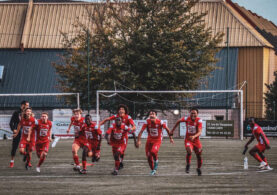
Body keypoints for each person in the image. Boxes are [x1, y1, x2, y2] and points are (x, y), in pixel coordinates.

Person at [136, 110, 174, 175]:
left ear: (156, 116)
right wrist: (138, 140)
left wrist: (171, 138)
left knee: (153, 152)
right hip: (149, 140)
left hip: (157, 140)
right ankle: (153, 170)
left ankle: (156, 161)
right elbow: (141, 131)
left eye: (153, 114)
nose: (151, 115)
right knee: (148, 157)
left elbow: (167, 130)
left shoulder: (160, 122)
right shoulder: (147, 122)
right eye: (150, 114)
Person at [100, 104, 136, 169]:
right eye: (120, 109)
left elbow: (134, 127)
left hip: (124, 137)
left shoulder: (128, 117)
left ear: (125, 111)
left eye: (122, 109)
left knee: (121, 151)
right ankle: (118, 161)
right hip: (115, 137)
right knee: (115, 153)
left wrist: (131, 129)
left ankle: (120, 162)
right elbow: (107, 119)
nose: (121, 110)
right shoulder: (116, 116)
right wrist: (99, 125)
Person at [171, 107, 203, 176]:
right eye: (192, 113)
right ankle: (188, 164)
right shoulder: (186, 119)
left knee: (199, 156)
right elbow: (178, 121)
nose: (193, 115)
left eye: (194, 113)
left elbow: (200, 132)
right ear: (190, 113)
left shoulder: (199, 121)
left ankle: (198, 168)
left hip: (196, 140)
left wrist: (194, 136)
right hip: (188, 139)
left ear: (197, 114)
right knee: (189, 150)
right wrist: (172, 130)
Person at [9, 100, 29, 168]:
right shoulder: (16, 112)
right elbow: (11, 122)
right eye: (27, 105)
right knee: (14, 147)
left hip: (25, 131)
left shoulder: (28, 112)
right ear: (22, 105)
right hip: (17, 131)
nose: (28, 107)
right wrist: (13, 129)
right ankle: (12, 161)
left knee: (27, 147)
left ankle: (26, 160)